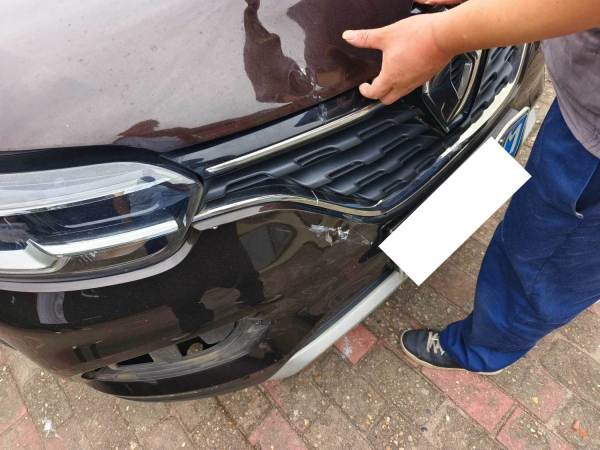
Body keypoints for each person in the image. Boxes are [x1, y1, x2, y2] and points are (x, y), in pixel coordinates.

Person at [343, 0, 600, 373]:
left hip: (592, 150)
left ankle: (483, 351)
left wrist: (439, 38)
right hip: (583, 113)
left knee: (542, 265)